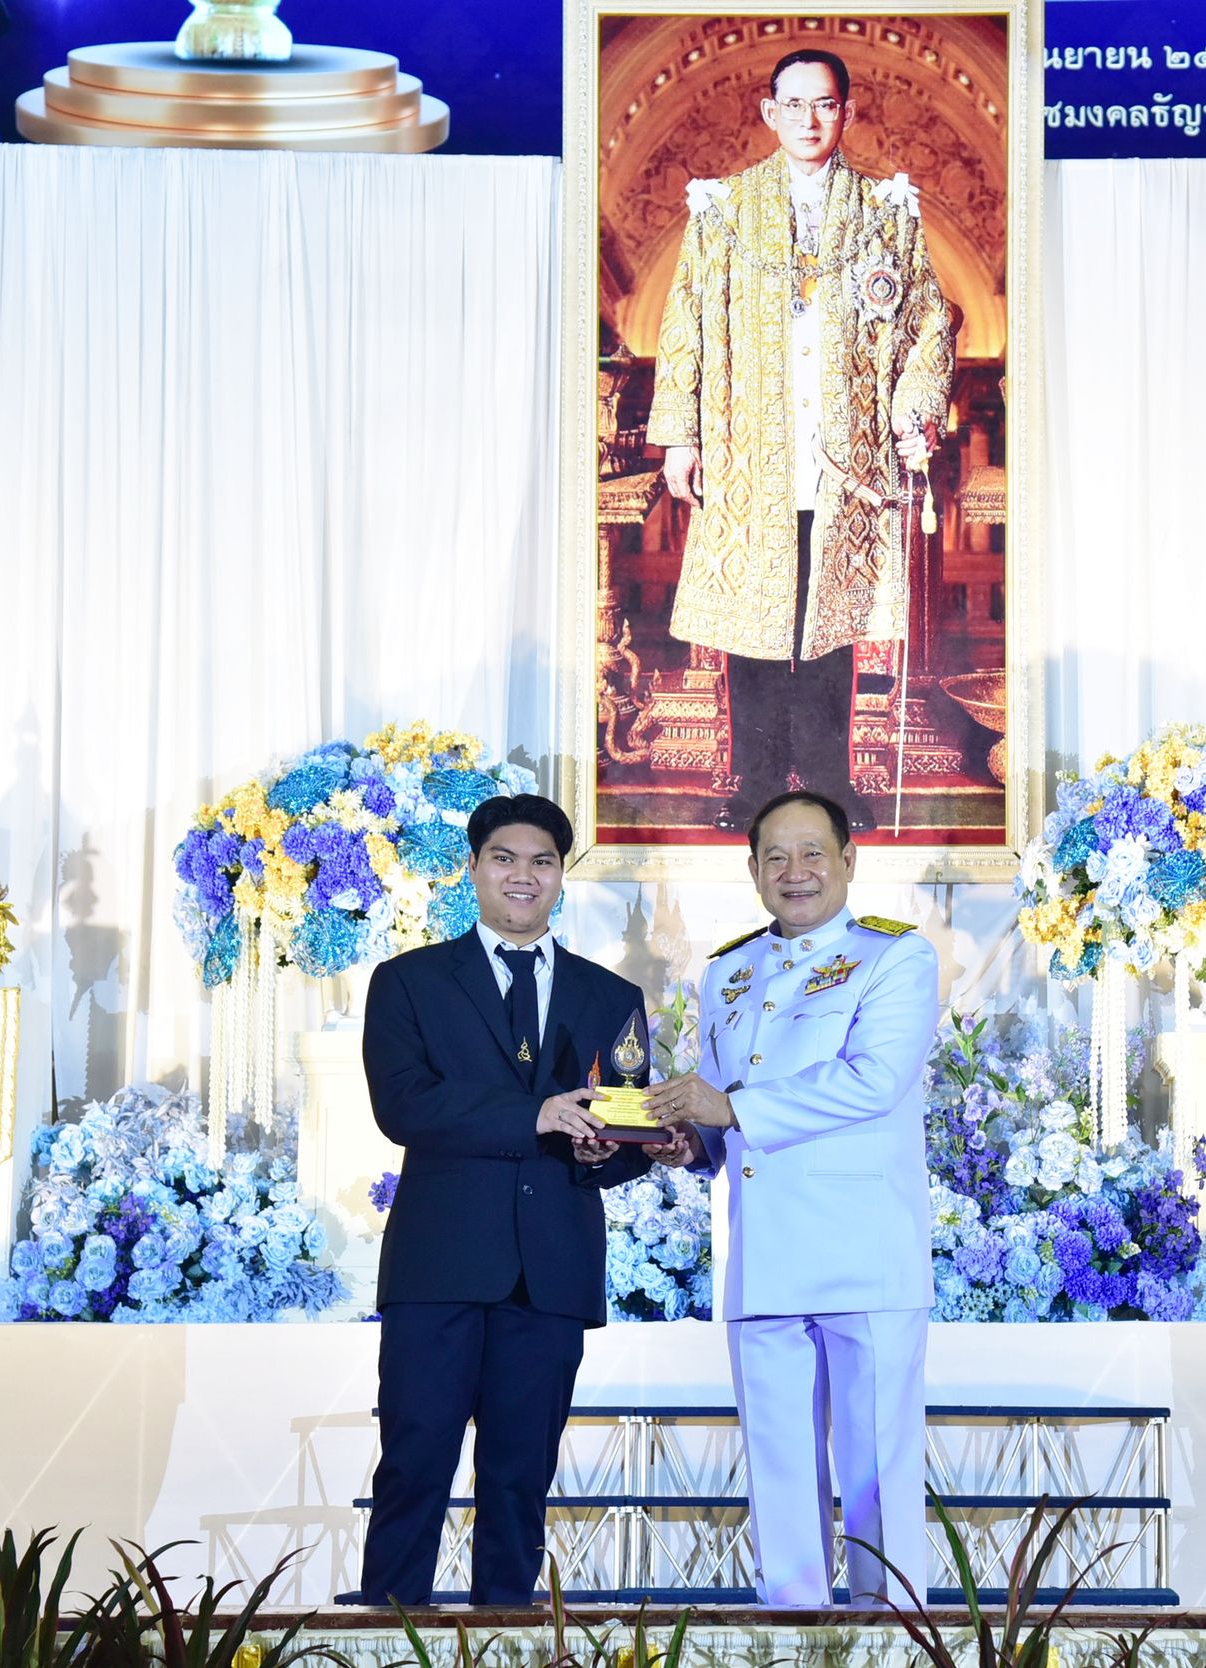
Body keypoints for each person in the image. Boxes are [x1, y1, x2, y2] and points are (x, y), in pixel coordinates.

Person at [356, 793, 683, 1605]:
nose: (522, 876)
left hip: (551, 1270)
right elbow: (403, 1105)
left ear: (561, 876)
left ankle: (506, 1635)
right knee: (414, 1461)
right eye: (504, 858)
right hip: (439, 1265)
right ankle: (386, 1638)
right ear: (473, 868)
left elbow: (622, 1133)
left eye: (542, 862)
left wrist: (609, 1152)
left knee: (520, 1475)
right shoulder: (408, 982)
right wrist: (534, 1115)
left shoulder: (610, 996)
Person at [641, 788, 941, 1606]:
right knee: (776, 1466)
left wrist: (729, 1110)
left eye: (813, 853)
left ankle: (892, 1636)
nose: (795, 871)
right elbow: (718, 1107)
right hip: (763, 1253)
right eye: (776, 856)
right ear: (752, 870)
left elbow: (873, 1080)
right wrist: (687, 1143)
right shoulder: (728, 971)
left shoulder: (895, 958)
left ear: (849, 860)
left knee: (877, 1469)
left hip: (863, 1250)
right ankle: (793, 1629)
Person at [648, 47, 956, 834]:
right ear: (769, 112)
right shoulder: (723, 208)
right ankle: (753, 784)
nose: (809, 119)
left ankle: (828, 783)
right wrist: (680, 435)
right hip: (749, 449)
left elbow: (926, 322)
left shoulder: (886, 210)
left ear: (845, 112)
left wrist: (914, 411)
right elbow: (684, 323)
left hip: (846, 455)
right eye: (794, 104)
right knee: (756, 623)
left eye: (824, 104)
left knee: (829, 625)